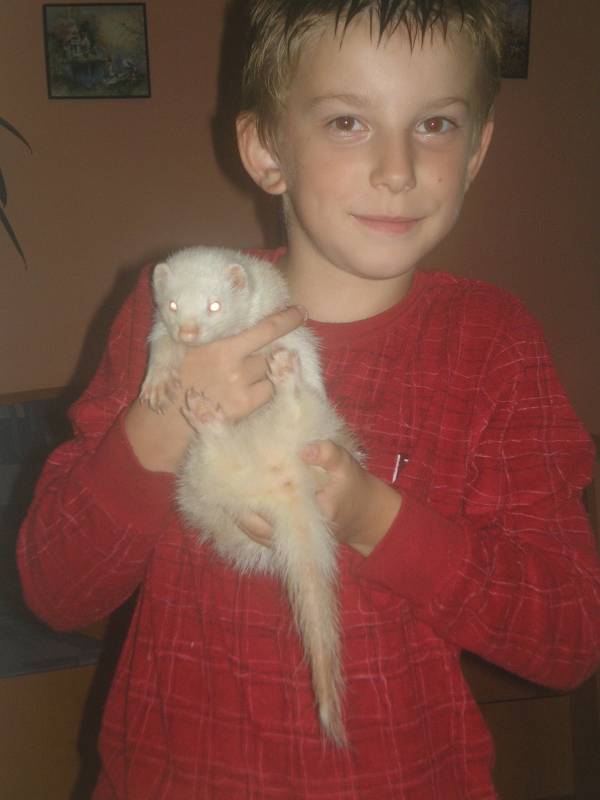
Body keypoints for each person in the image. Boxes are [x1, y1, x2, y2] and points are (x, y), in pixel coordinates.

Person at [17, 1, 600, 798]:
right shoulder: (169, 321)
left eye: (434, 124)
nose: (398, 169)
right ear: (267, 150)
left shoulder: (493, 344)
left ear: (477, 151)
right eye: (347, 123)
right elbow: (56, 590)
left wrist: (375, 520)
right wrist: (163, 421)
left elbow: (568, 639)